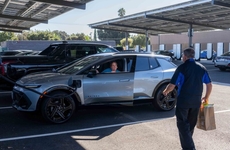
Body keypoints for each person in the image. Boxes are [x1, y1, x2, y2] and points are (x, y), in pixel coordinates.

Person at [162, 48, 212, 150]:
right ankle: (187, 146)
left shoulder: (182, 68)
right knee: (190, 126)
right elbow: (209, 84)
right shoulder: (202, 68)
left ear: (185, 56)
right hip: (196, 102)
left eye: (182, 56)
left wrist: (166, 91)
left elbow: (172, 85)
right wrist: (206, 97)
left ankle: (190, 148)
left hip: (183, 102)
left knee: (182, 126)